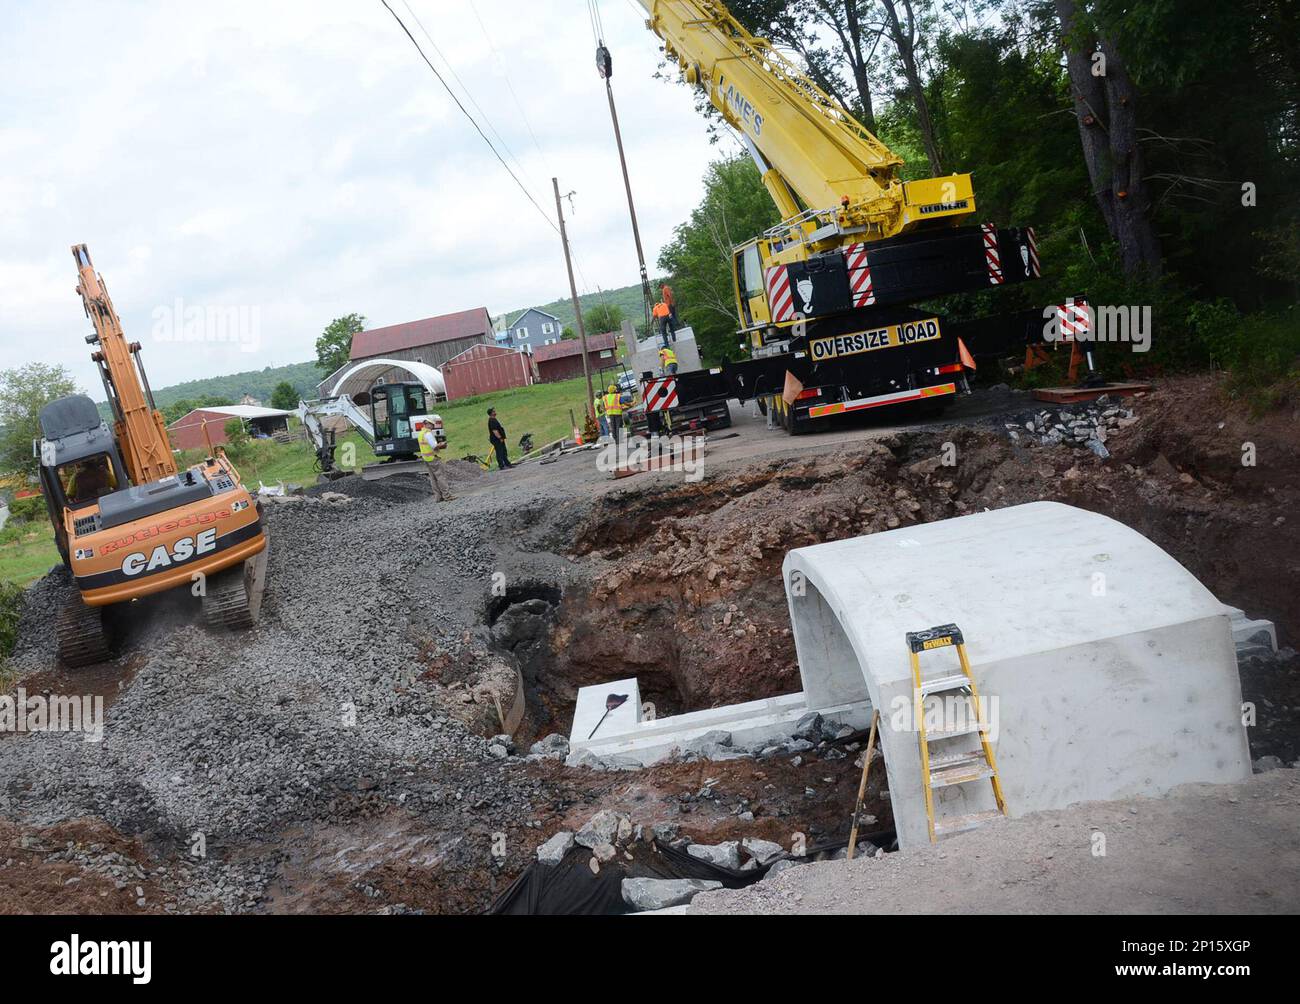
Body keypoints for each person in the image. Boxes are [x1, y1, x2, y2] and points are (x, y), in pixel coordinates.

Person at [417, 417, 453, 502]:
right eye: (432, 425)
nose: (433, 426)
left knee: (433, 478)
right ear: (428, 424)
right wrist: (442, 444)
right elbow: (434, 446)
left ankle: (438, 497)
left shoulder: (421, 433)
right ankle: (447, 496)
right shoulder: (428, 434)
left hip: (426, 458)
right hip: (433, 458)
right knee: (440, 476)